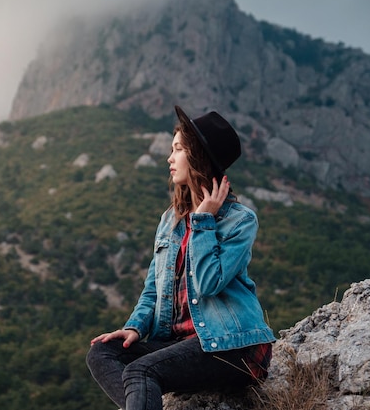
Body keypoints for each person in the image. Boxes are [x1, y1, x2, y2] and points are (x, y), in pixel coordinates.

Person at [86, 105, 276, 410]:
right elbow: (153, 288)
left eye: (177, 149)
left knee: (141, 370)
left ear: (198, 156)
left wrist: (204, 222)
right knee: (103, 352)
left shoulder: (240, 221)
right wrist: (134, 326)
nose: (169, 158)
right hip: (184, 345)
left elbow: (208, 283)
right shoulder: (170, 221)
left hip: (233, 345)